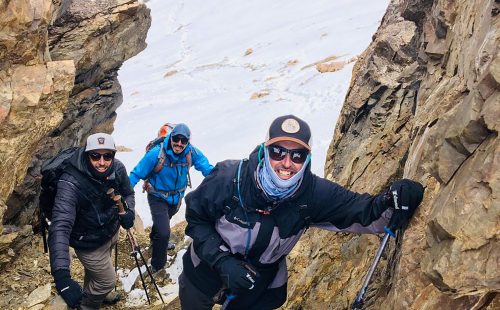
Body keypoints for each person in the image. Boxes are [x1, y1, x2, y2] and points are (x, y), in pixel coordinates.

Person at [178, 115, 424, 309]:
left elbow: (366, 213)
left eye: (298, 155)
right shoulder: (229, 178)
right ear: (265, 151)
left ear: (307, 158)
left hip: (256, 286)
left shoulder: (314, 194)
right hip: (203, 274)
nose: (287, 163)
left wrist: (397, 197)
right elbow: (196, 219)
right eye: (278, 152)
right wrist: (223, 261)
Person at [48, 133, 135, 309]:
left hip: (110, 230)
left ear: (113, 155)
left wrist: (128, 211)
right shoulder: (70, 183)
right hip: (87, 242)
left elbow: (128, 193)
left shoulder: (117, 168)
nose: (102, 162)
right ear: (87, 154)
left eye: (107, 156)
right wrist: (61, 275)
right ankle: (87, 305)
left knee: (97, 275)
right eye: (95, 156)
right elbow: (60, 226)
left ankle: (97, 294)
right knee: (106, 281)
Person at [129, 123, 213, 272]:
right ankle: (158, 265)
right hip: (157, 197)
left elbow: (206, 167)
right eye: (176, 139)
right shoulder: (156, 153)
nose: (179, 144)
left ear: (188, 142)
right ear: (171, 137)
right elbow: (136, 173)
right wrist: (124, 192)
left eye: (183, 141)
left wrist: (220, 179)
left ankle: (157, 241)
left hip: (176, 198)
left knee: (162, 225)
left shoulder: (191, 152)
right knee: (164, 232)